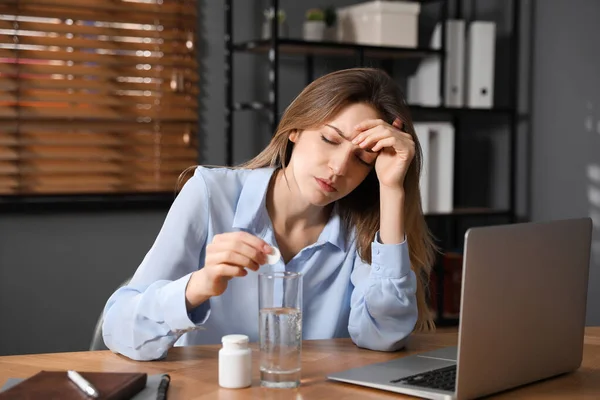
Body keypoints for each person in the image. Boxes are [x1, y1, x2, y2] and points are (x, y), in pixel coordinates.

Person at [102, 67, 437, 361]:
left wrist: (392, 190)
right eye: (329, 139)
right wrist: (199, 286)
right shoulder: (209, 194)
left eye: (362, 159)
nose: (338, 168)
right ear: (295, 129)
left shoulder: (362, 226)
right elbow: (119, 330)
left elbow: (383, 337)